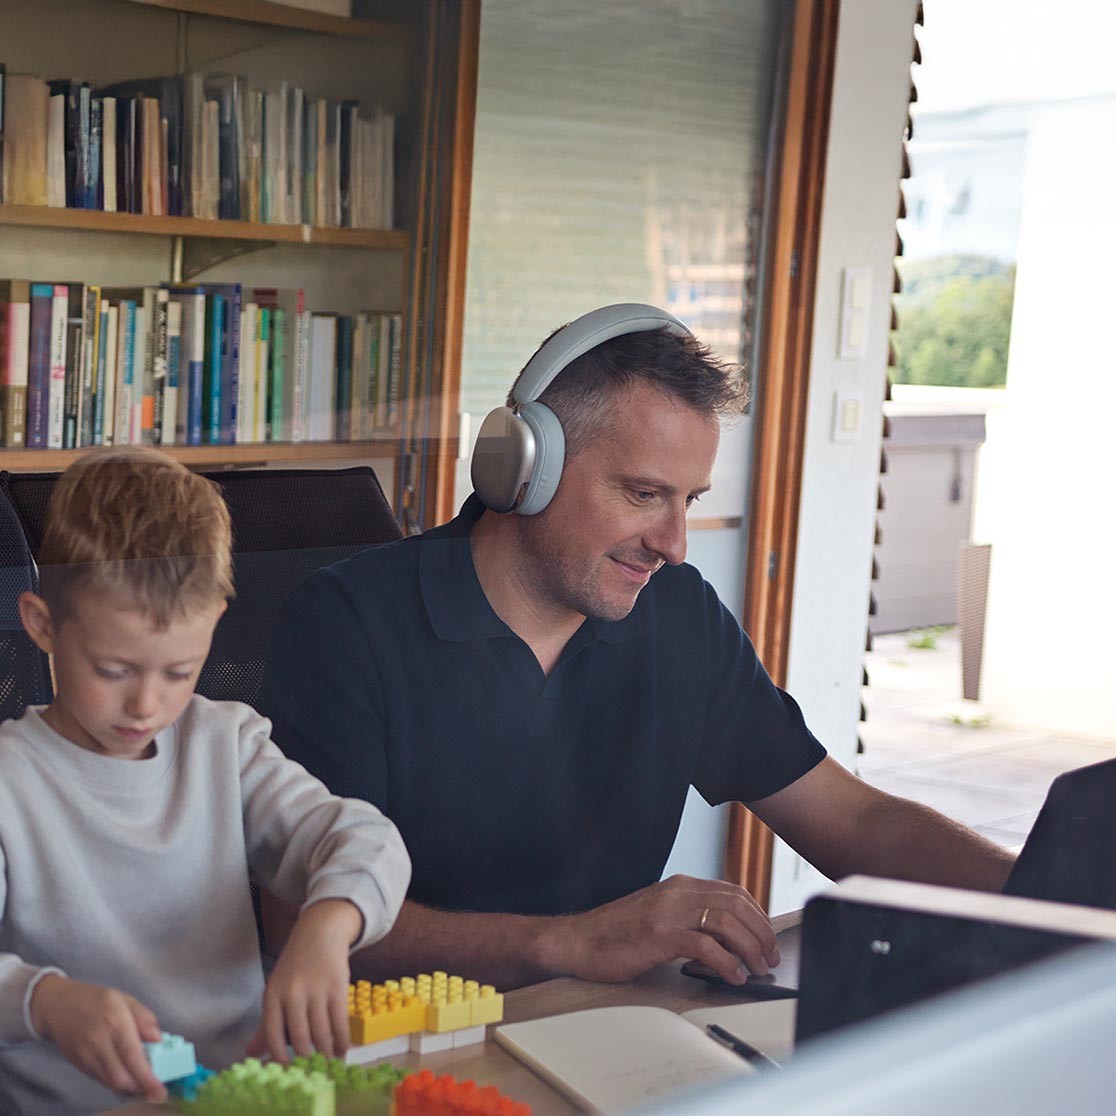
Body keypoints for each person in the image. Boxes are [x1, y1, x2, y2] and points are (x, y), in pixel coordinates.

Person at [258, 304, 1014, 992]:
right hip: (402, 1050)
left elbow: (852, 821)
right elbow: (299, 923)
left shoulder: (678, 614)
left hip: (603, 1036)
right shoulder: (347, 624)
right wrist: (571, 943)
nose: (675, 545)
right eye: (644, 495)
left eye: (690, 502)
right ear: (523, 469)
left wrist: (1056, 900)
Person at [0, 448, 411, 1116]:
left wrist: (327, 928)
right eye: (113, 670)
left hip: (238, 1098)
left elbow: (364, 839)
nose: (146, 705)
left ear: (214, 628)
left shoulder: (224, 744)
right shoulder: (11, 783)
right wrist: (44, 1002)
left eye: (178, 671)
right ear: (43, 624)